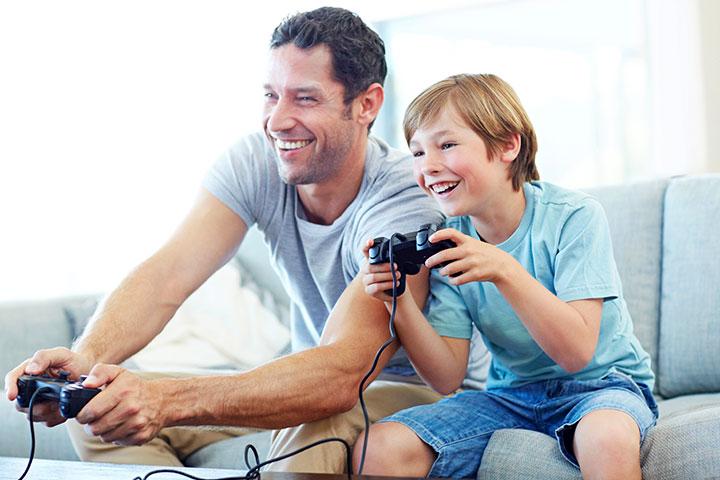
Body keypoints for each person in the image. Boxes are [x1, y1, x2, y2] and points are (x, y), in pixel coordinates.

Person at [3, 7, 453, 473]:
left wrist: (168, 399)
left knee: (317, 426)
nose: (277, 121)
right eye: (270, 95)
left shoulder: (406, 199)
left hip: (408, 389)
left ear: (366, 104)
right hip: (311, 375)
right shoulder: (257, 161)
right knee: (97, 409)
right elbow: (167, 274)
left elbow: (344, 372)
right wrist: (83, 363)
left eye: (304, 98)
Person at [357, 73, 658, 479]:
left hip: (602, 386)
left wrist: (504, 271)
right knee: (377, 449)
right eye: (416, 153)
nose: (428, 166)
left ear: (507, 146)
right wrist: (400, 303)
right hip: (512, 396)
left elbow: (576, 353)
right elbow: (446, 378)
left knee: (605, 436)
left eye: (446, 145)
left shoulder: (573, 217)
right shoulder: (450, 242)